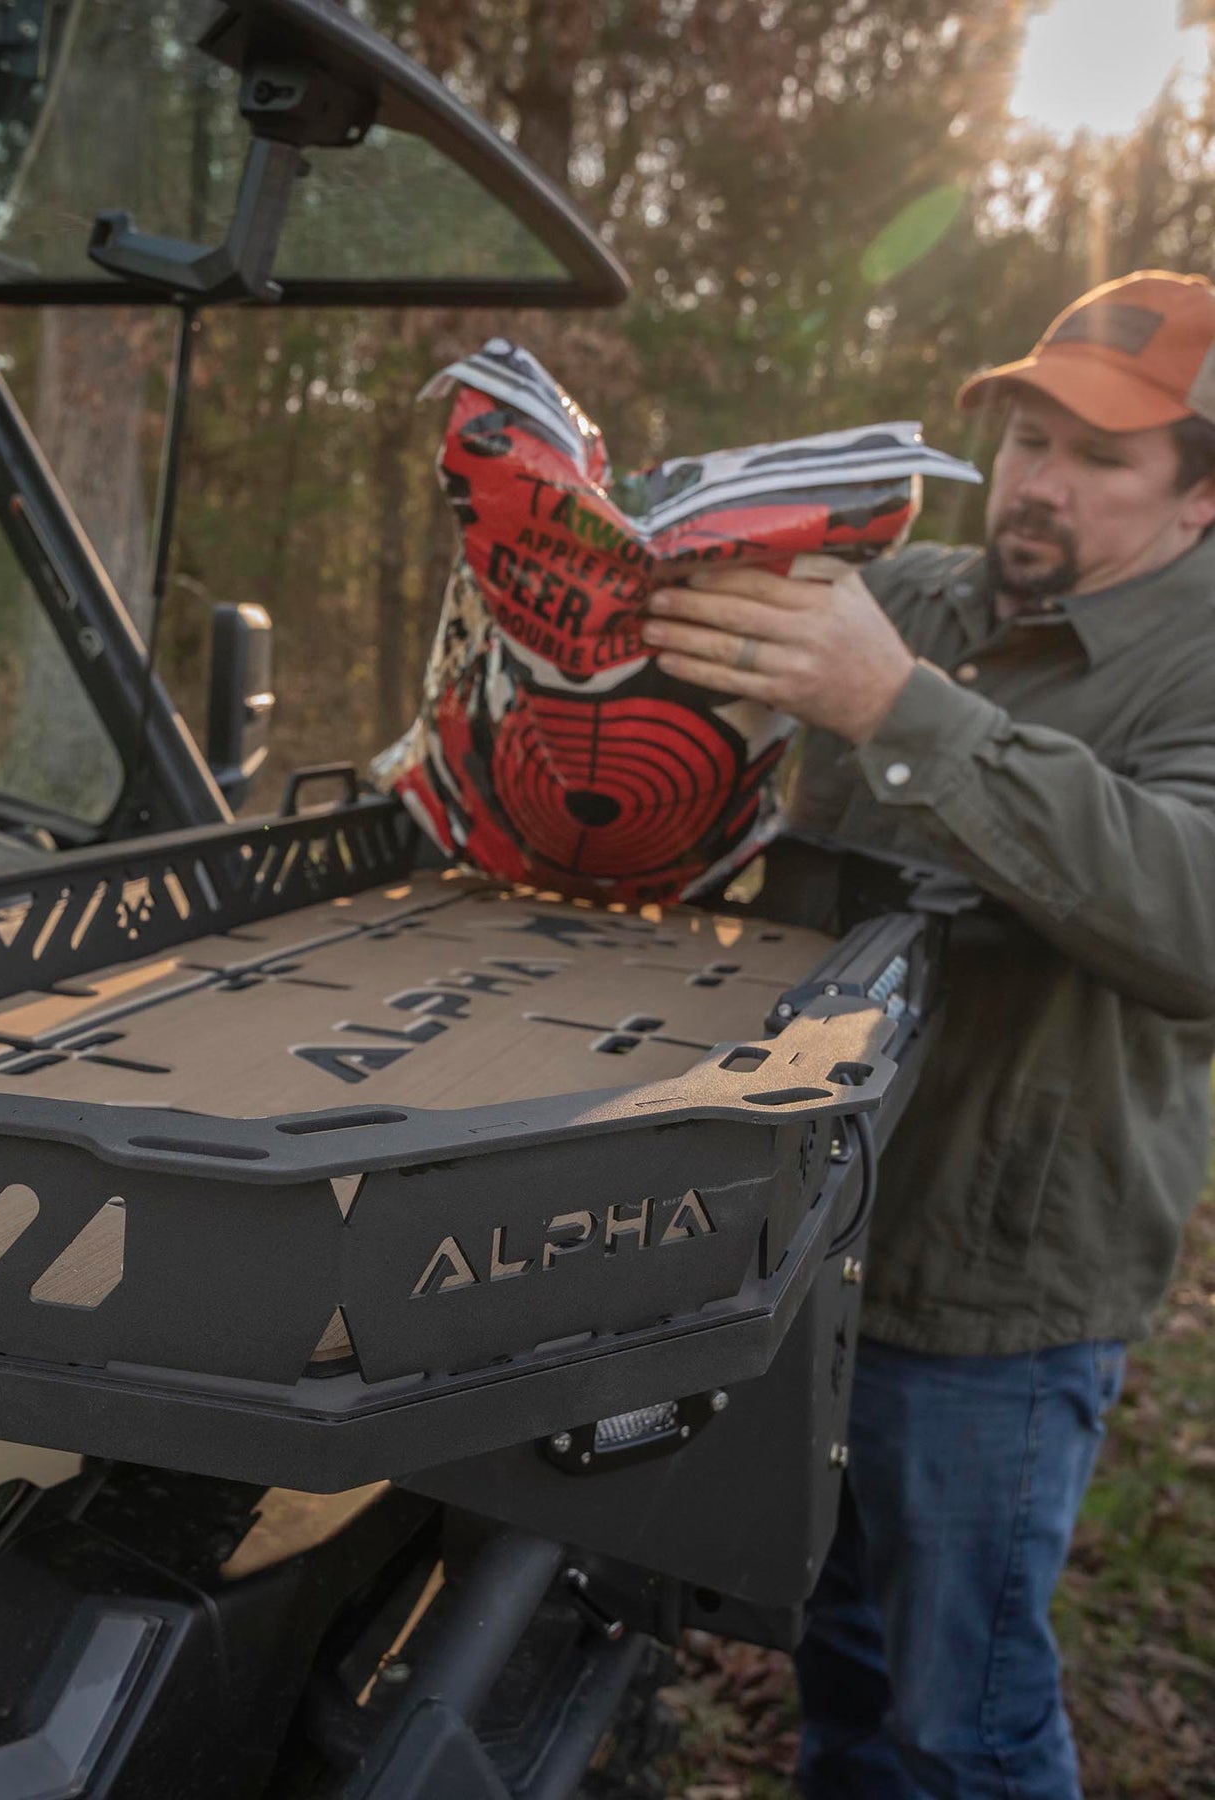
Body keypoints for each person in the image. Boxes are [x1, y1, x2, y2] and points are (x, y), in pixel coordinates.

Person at [642, 268, 1215, 1798]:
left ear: (1201, 501)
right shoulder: (908, 592)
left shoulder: (1196, 658)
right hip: (815, 1229)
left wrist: (903, 711)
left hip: (1000, 1291)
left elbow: (1195, 924)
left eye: (1103, 461)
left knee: (966, 1717)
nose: (1039, 486)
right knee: (840, 1654)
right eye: (1028, 440)